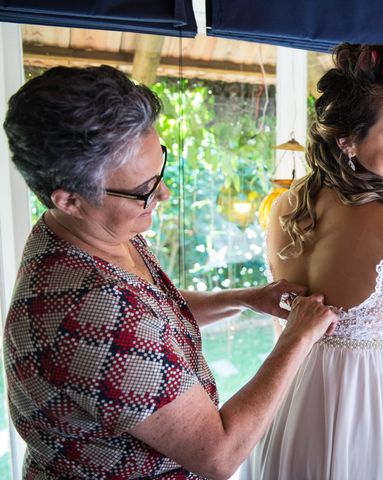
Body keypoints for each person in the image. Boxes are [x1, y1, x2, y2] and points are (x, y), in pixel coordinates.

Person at [2, 65, 338, 479]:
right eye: (144, 188)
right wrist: (297, 338)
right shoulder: (91, 308)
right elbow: (219, 453)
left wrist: (243, 299)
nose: (161, 193)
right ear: (69, 199)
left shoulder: (87, 232)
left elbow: (152, 318)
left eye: (160, 165)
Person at [243, 44, 383, 480]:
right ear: (348, 142)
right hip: (376, 418)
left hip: (288, 403)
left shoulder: (284, 208)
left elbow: (282, 320)